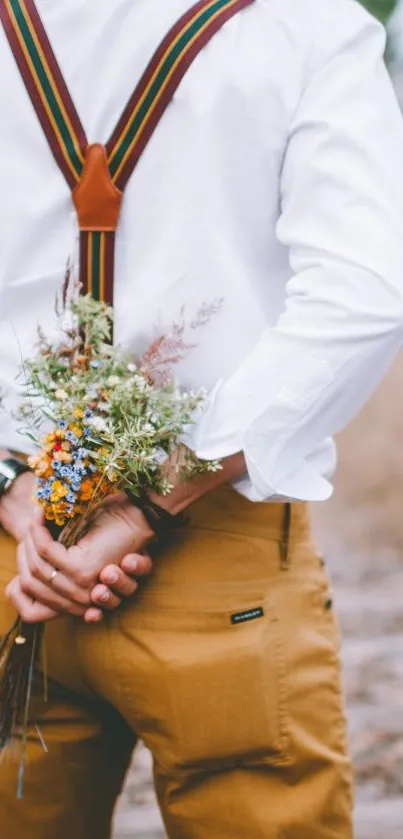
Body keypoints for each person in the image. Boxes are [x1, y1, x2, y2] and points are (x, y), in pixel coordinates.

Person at [1, 0, 403, 836]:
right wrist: (150, 498)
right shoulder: (309, 24)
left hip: (15, 555)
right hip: (218, 549)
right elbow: (362, 297)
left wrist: (12, 484)